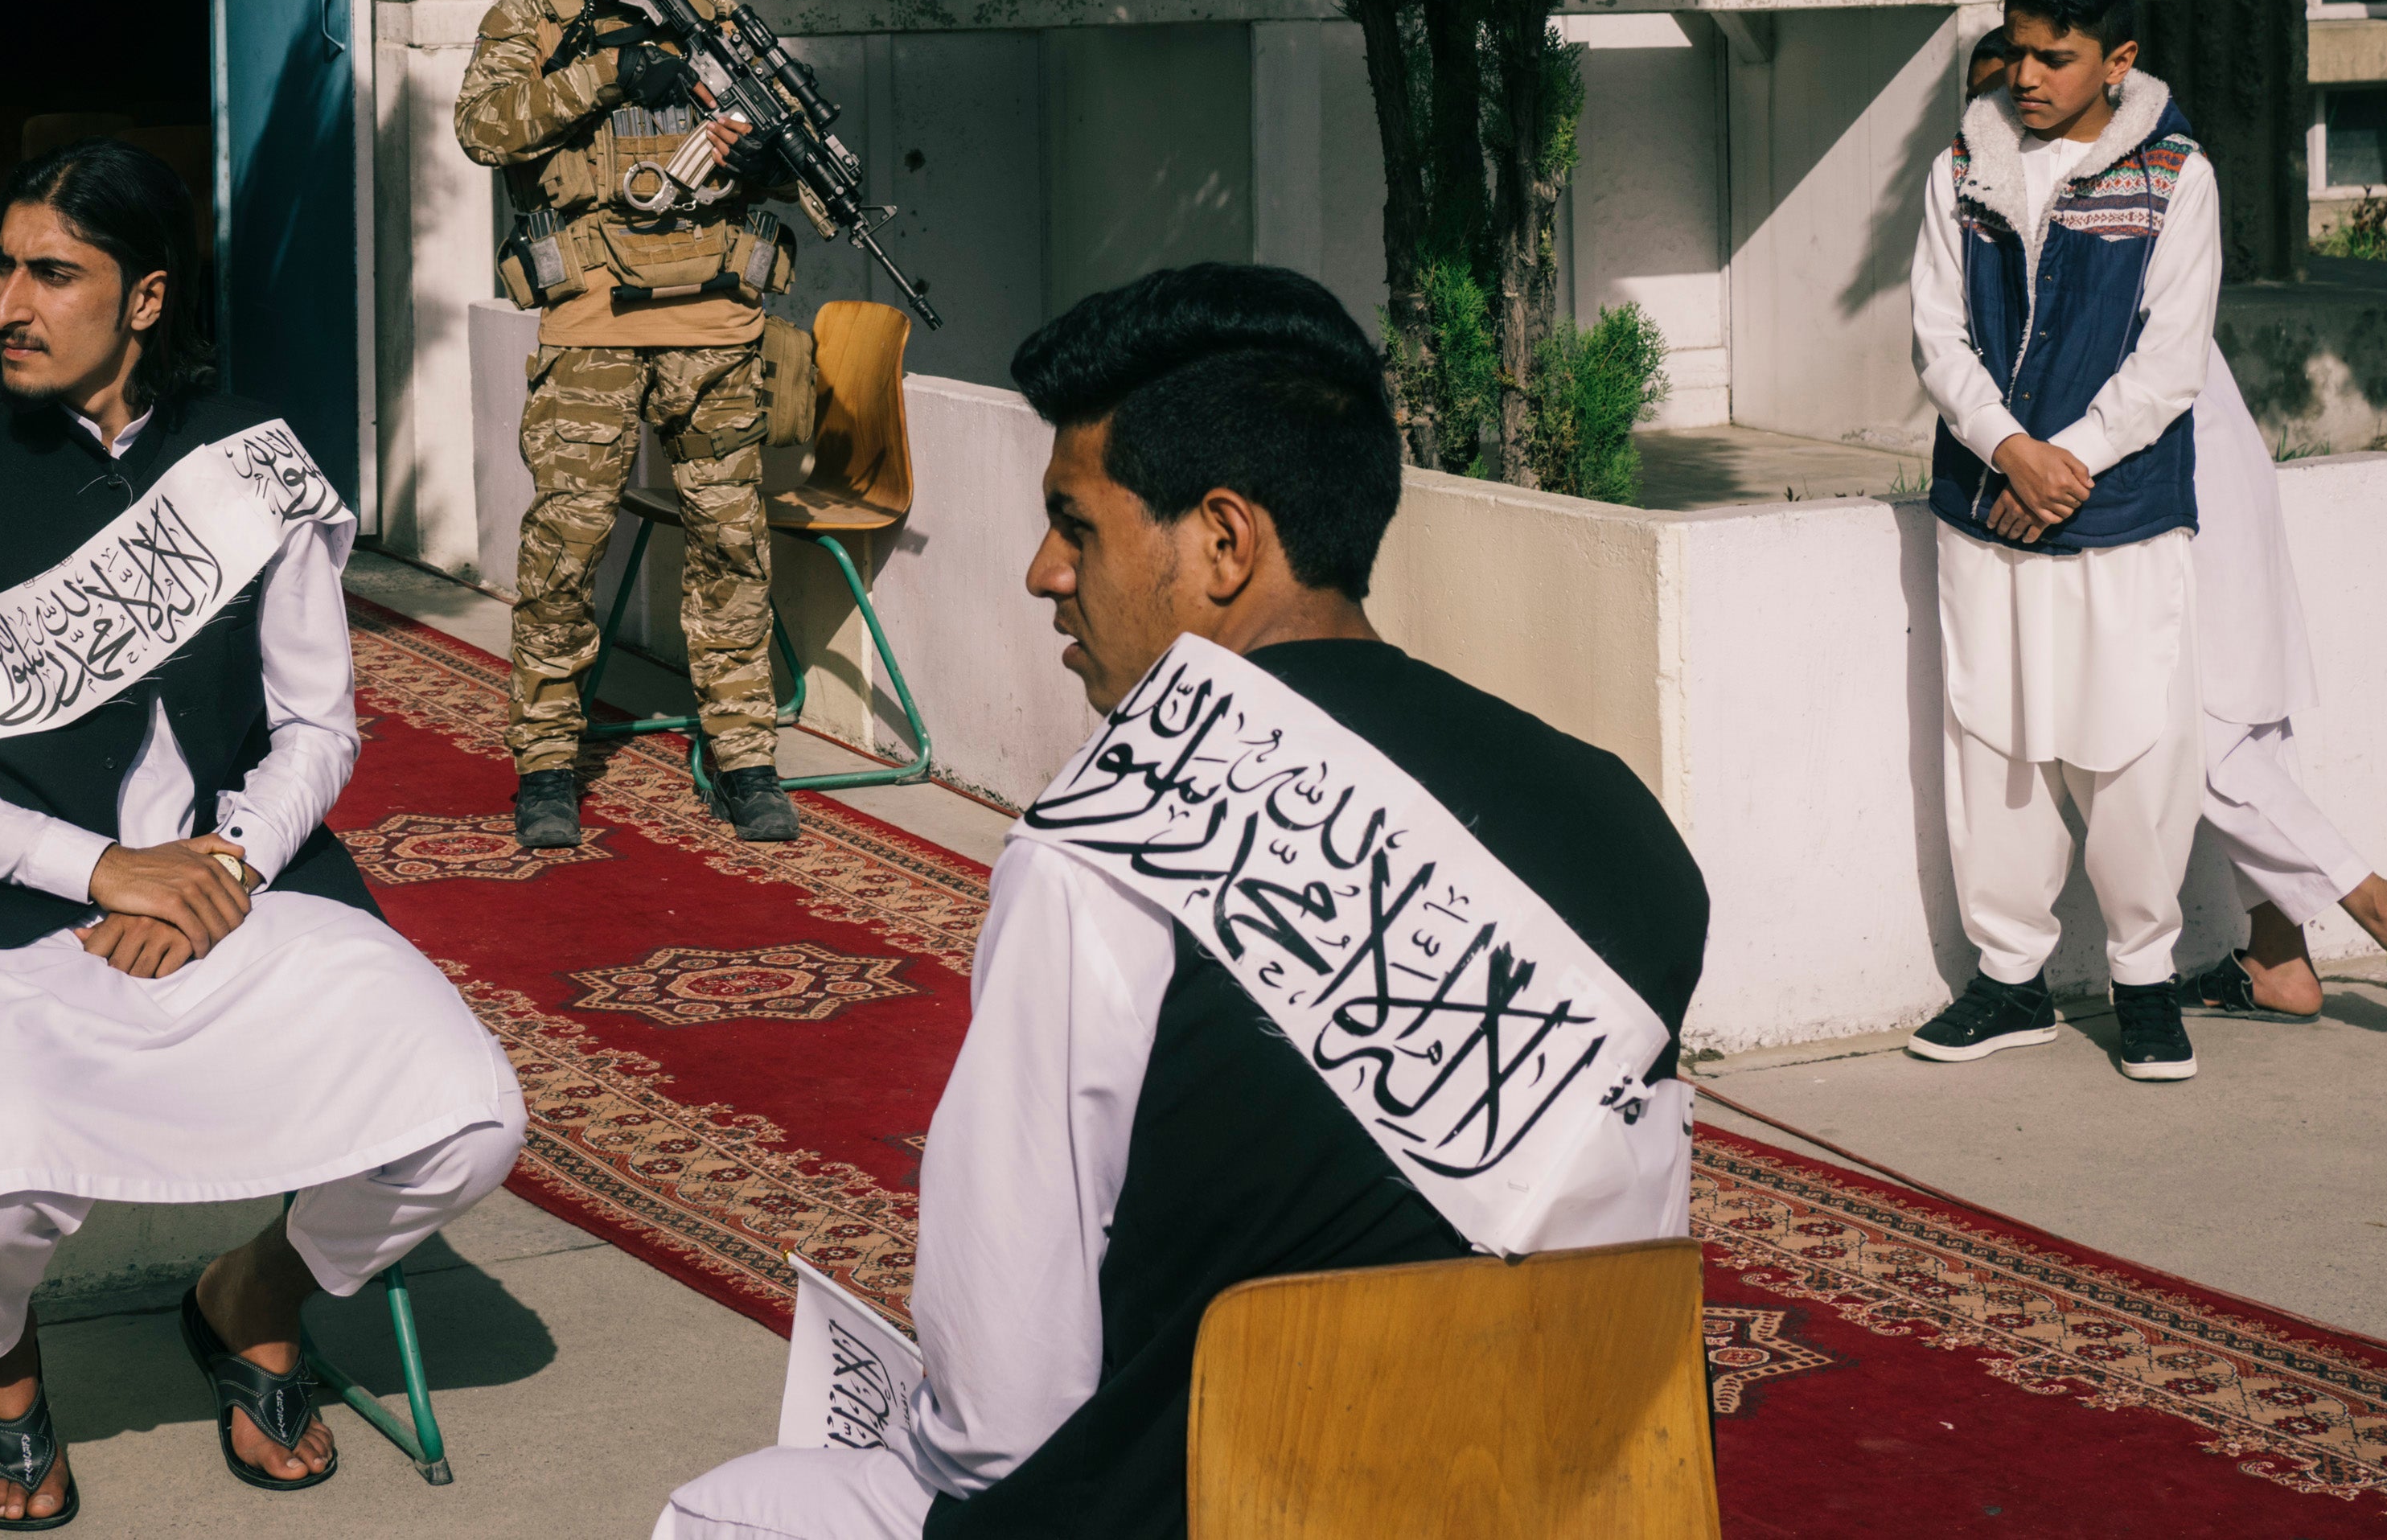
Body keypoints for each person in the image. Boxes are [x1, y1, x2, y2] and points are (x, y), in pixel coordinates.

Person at [652, 265, 1712, 1540]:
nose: (1044, 570)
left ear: (1222, 538)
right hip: (1548, 1498)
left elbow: (1001, 1411)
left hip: (1204, 1507)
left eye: (1076, 522)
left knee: (729, 1511)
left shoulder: (1097, 853)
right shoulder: (1627, 826)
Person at [0, 140, 525, 1526]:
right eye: (4, 270)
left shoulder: (249, 464)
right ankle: (1, 1373)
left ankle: (255, 1298)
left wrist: (217, 867)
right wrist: (99, 871)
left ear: (144, 302)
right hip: (8, 917)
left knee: (470, 1117)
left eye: (52, 275)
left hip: (236, 897)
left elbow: (320, 728)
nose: (6, 308)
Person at [1936, 42, 2387, 1054]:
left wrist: (2033, 474)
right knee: (2235, 713)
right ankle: (2277, 961)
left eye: (2030, 75)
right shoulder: (2000, 200)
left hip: (2165, 471)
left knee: (2196, 723)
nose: (2012, 106)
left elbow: (2122, 385)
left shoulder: (2139, 186)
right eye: (1993, 91)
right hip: (2194, 450)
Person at [455, 0, 810, 852]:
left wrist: (763, 147)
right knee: (565, 550)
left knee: (732, 545)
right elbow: (487, 128)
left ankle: (745, 753)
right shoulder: (533, 13)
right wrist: (608, 73)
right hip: (593, 317)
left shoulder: (718, 10)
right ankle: (550, 761)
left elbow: (792, 157)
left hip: (714, 317)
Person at [1908, 0, 2227, 1085]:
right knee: (1991, 734)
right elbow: (1936, 335)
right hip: (1986, 498)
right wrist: (2005, 448)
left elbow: (2170, 361)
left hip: (2123, 506)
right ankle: (2010, 979)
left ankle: (2147, 978)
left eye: (2058, 55)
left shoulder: (2177, 175)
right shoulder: (1961, 167)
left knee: (2136, 740)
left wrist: (2066, 464)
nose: (2028, 76)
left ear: (2119, 57)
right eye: (2017, 51)